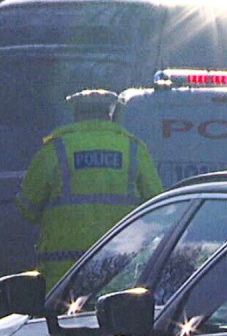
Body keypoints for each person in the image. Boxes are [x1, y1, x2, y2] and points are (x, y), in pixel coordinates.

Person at [15, 89, 162, 286]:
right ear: (110, 114)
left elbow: (27, 208)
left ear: (76, 115)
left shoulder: (56, 149)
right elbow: (158, 208)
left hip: (63, 276)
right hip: (118, 273)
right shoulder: (133, 148)